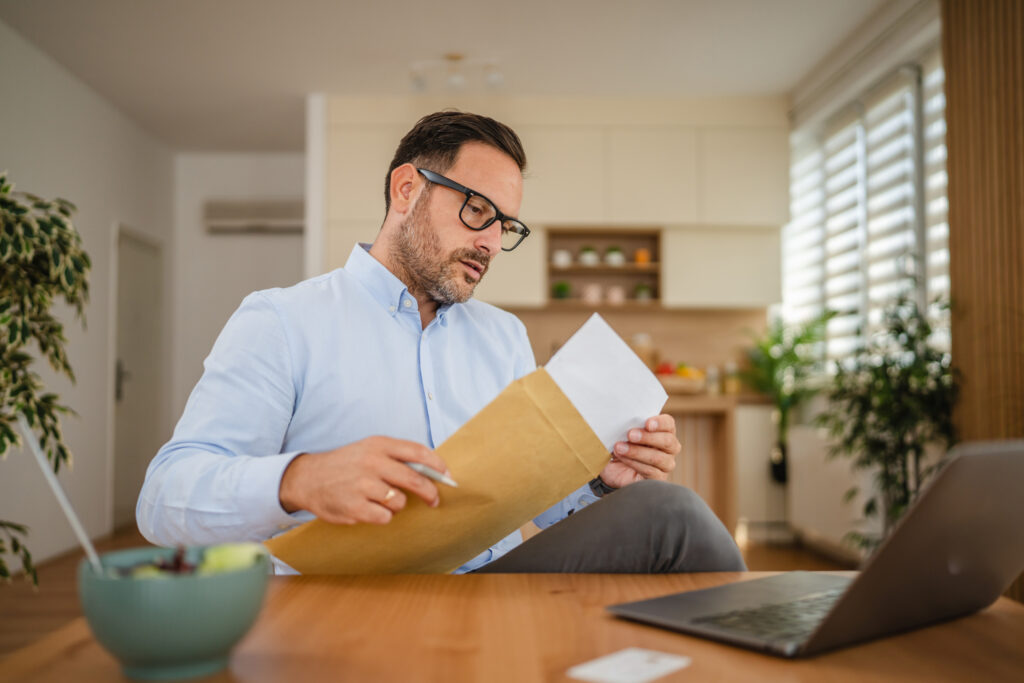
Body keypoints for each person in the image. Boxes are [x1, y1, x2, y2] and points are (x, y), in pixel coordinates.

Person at [137, 111, 745, 574]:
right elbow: (163, 502)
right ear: (407, 190)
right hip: (340, 593)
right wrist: (297, 479)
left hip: (491, 584)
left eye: (504, 225)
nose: (490, 242)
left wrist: (602, 483)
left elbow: (542, 508)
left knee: (667, 511)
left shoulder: (504, 336)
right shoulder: (282, 320)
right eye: (477, 210)